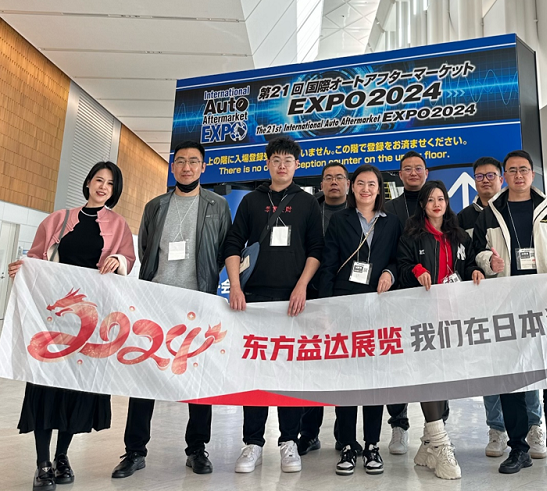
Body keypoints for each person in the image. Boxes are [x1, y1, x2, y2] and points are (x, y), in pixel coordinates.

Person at [9, 162, 135, 491]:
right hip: (52, 321)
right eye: (98, 180)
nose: (103, 187)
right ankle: (42, 463)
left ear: (115, 190)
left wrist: (119, 261)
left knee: (74, 389)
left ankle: (61, 456)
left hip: (89, 325)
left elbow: (129, 261)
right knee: (44, 386)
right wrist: (23, 268)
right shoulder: (58, 219)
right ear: (88, 183)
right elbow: (36, 258)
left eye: (110, 183)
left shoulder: (119, 226)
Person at [111, 141, 231, 478]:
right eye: (180, 161)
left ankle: (197, 449)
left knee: (200, 378)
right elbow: (146, 248)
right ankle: (134, 451)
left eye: (193, 161)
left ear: (203, 167)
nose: (187, 167)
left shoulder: (218, 205)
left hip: (197, 302)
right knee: (145, 375)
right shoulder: (155, 206)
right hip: (156, 303)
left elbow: (223, 249)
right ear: (173, 166)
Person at [473, 150, 547, 476]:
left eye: (523, 169)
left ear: (532, 174)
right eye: (512, 170)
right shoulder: (490, 213)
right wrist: (489, 262)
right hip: (508, 305)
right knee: (512, 380)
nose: (519, 175)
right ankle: (518, 449)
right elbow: (475, 254)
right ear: (505, 176)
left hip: (546, 304)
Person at [222, 136, 324, 474]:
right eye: (276, 160)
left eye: (288, 160)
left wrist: (301, 286)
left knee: (289, 372)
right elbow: (233, 243)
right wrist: (235, 287)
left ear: (297, 165)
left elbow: (316, 249)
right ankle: (252, 442)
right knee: (254, 371)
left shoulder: (308, 203)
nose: (282, 165)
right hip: (253, 301)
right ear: (268, 163)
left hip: (293, 301)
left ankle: (289, 441)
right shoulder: (252, 201)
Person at [317, 164, 403, 475]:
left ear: (380, 190)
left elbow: (399, 258)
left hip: (379, 307)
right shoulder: (339, 220)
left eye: (372, 184)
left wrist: (390, 272)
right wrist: (326, 308)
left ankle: (372, 444)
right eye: (361, 184)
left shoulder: (392, 222)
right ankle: (347, 444)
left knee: (373, 378)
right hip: (345, 307)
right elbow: (328, 264)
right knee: (347, 379)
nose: (366, 189)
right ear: (352, 188)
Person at [457, 156, 543, 458]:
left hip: (528, 299)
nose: (485, 181)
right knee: (491, 367)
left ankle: (534, 425)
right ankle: (496, 428)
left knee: (528, 363)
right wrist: (481, 266)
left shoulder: (527, 208)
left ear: (501, 178)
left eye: (490, 175)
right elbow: (466, 258)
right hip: (486, 303)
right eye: (479, 176)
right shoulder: (464, 218)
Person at [397, 180, 483, 480]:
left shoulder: (458, 235)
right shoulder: (412, 235)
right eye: (431, 199)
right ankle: (440, 441)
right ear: (422, 205)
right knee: (429, 374)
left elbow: (468, 264)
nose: (437, 204)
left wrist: (475, 270)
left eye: (441, 199)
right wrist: (417, 270)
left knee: (444, 376)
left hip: (453, 316)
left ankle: (427, 445)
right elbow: (401, 266)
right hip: (422, 317)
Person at [297, 161, 350, 456]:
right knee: (311, 365)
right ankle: (309, 433)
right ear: (321, 184)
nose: (333, 182)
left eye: (339, 178)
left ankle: (344, 434)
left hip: (345, 298)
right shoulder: (309, 210)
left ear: (348, 184)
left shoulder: (358, 212)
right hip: (311, 295)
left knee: (343, 365)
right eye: (328, 178)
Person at [382, 150, 429, 454]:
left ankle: (436, 427)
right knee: (396, 362)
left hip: (430, 295)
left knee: (433, 361)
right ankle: (398, 424)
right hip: (397, 295)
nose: (413, 173)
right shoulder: (389, 208)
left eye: (418, 168)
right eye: (407, 169)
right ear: (400, 175)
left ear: (426, 172)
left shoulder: (437, 201)